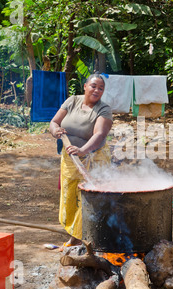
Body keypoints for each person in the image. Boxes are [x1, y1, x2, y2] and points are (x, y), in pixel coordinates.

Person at [49, 73, 113, 248]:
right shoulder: (72, 101)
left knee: (87, 197)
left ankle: (81, 239)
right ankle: (75, 236)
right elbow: (54, 122)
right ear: (85, 86)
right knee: (70, 196)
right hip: (70, 158)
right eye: (93, 86)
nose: (97, 90)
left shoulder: (104, 109)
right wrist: (55, 131)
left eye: (101, 88)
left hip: (94, 159)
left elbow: (99, 134)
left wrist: (83, 150)